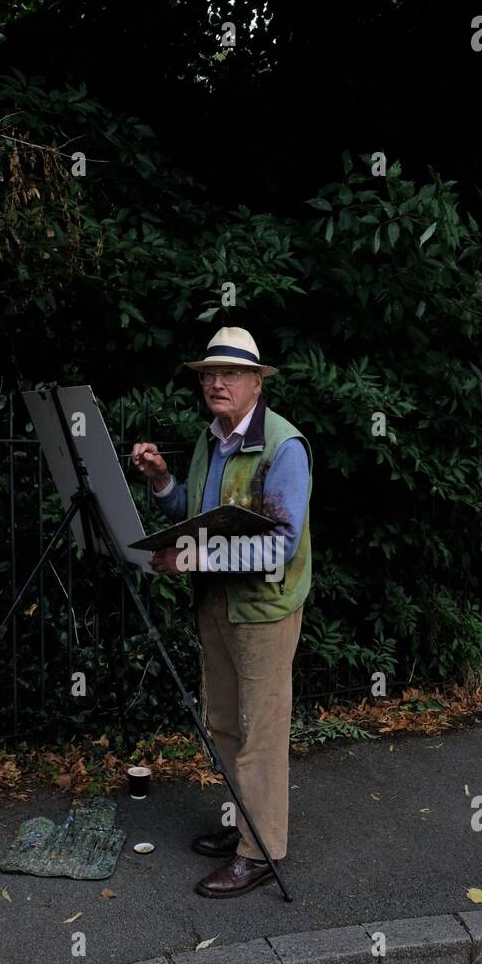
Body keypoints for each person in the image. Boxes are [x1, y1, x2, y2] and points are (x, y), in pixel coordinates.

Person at [132, 327, 313, 898]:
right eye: (209, 373)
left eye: (230, 373)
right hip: (216, 603)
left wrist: (191, 555)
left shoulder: (285, 447)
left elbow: (279, 546)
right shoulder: (211, 439)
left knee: (261, 732)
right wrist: (162, 479)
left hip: (263, 611)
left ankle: (262, 853)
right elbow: (199, 515)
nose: (216, 382)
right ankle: (243, 826)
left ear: (257, 382)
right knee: (226, 723)